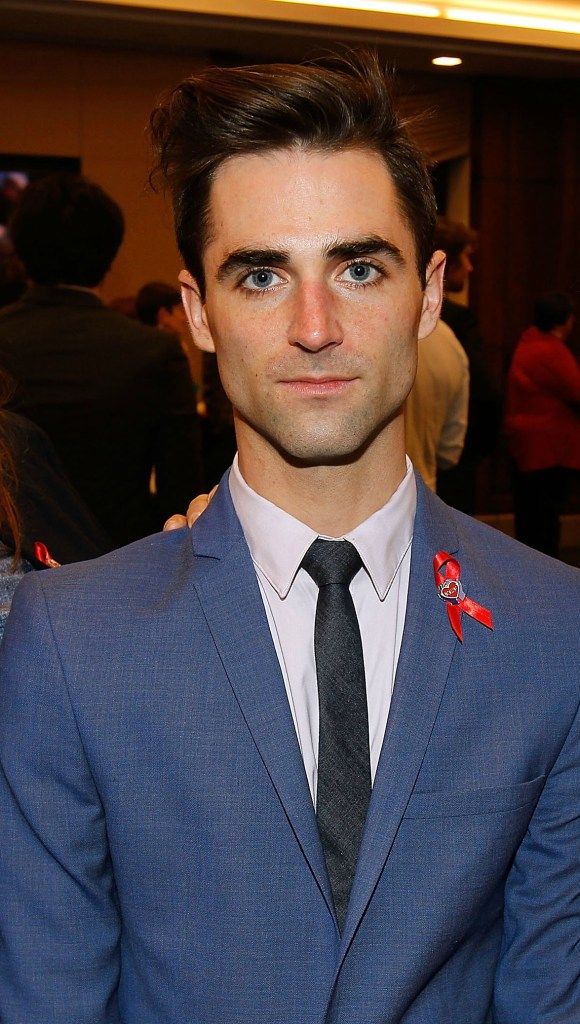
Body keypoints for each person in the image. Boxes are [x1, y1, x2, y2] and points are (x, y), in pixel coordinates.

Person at [0, 52, 579, 1024]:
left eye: (358, 268)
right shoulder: (69, 639)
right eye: (261, 275)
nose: (315, 326)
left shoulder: (554, 626)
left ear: (429, 293)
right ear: (198, 313)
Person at [0, 173, 203, 547]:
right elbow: (181, 492)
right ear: (110, 255)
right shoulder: (152, 351)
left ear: (22, 252)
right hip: (122, 563)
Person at [505, 291, 580, 556]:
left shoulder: (529, 343)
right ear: (566, 320)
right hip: (547, 450)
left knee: (531, 516)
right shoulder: (550, 350)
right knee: (544, 521)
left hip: (528, 446)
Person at [434, 216, 501, 513]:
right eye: (466, 257)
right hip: (448, 470)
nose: (471, 268)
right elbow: (485, 393)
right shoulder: (456, 326)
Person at [404, 318, 469, 490]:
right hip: (424, 491)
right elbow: (449, 451)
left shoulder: (362, 331)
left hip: (361, 503)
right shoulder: (448, 342)